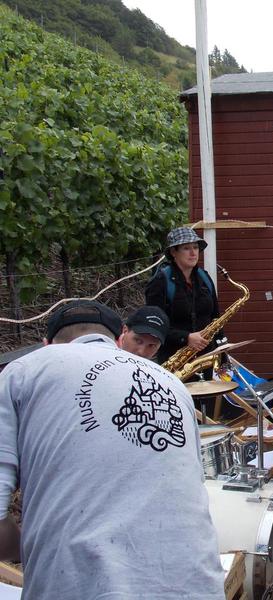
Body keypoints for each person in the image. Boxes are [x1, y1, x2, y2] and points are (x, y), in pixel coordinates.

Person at [0, 300, 224, 599]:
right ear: (118, 339)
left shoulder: (23, 371)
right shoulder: (173, 384)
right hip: (198, 585)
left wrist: (27, 545)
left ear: (47, 344)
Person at [145, 227, 223, 365]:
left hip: (205, 358)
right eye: (186, 248)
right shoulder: (160, 281)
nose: (193, 253)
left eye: (195, 247)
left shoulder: (204, 278)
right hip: (174, 359)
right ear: (173, 252)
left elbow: (216, 317)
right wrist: (186, 337)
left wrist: (222, 352)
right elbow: (154, 324)